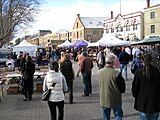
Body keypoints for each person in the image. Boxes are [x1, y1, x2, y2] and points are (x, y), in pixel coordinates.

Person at [132, 53, 160, 120]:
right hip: (155, 101)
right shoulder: (157, 71)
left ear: (142, 60)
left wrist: (136, 96)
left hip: (143, 102)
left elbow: (134, 89)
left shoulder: (138, 73)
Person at [98, 53, 126, 120]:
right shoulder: (116, 73)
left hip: (104, 98)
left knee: (105, 117)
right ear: (113, 62)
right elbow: (122, 89)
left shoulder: (99, 72)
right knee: (118, 115)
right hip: (115, 98)